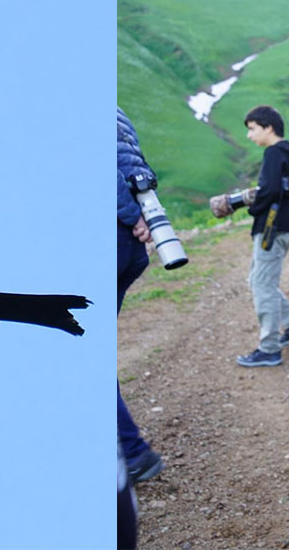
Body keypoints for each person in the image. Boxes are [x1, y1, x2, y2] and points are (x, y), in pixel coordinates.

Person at [226, 105, 289, 367]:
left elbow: (269, 190)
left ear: (268, 127)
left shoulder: (274, 153)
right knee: (259, 280)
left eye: (252, 129)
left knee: (262, 285)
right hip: (286, 226)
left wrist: (253, 206)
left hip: (271, 229)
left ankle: (269, 347)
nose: (250, 136)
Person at [116, 108, 165, 493]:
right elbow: (138, 166)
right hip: (132, 248)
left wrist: (130, 214)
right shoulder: (117, 113)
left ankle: (132, 454)